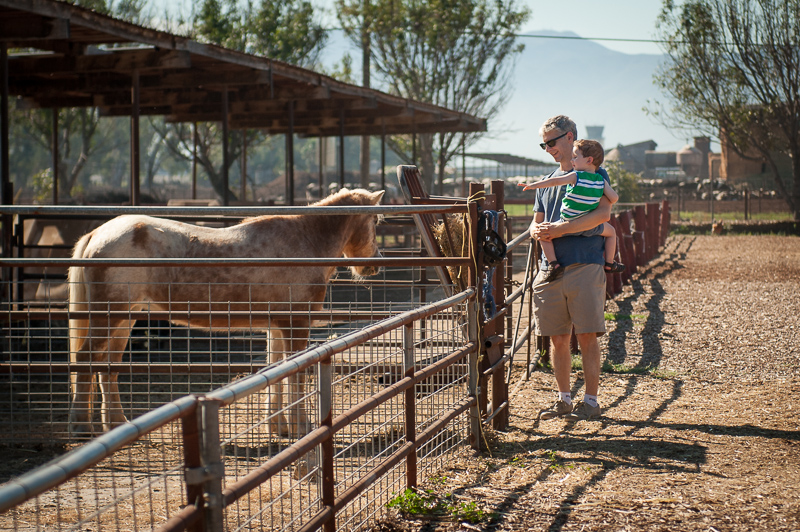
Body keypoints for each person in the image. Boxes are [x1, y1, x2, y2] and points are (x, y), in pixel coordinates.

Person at [528, 115, 610, 421]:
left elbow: (603, 214)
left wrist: (559, 230)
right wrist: (537, 232)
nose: (548, 148)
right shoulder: (547, 182)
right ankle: (564, 399)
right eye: (544, 143)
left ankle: (590, 401)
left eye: (552, 141)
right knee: (557, 338)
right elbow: (537, 221)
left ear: (569, 137)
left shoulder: (594, 173)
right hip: (550, 269)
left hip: (584, 263)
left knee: (587, 335)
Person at [520, 138, 625, 282]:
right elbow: (614, 198)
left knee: (544, 234)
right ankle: (609, 262)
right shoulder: (601, 180)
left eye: (575, 157)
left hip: (566, 221)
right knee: (611, 233)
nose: (572, 160)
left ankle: (553, 263)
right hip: (588, 225)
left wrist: (534, 185)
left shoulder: (576, 176)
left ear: (589, 160)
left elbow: (555, 181)